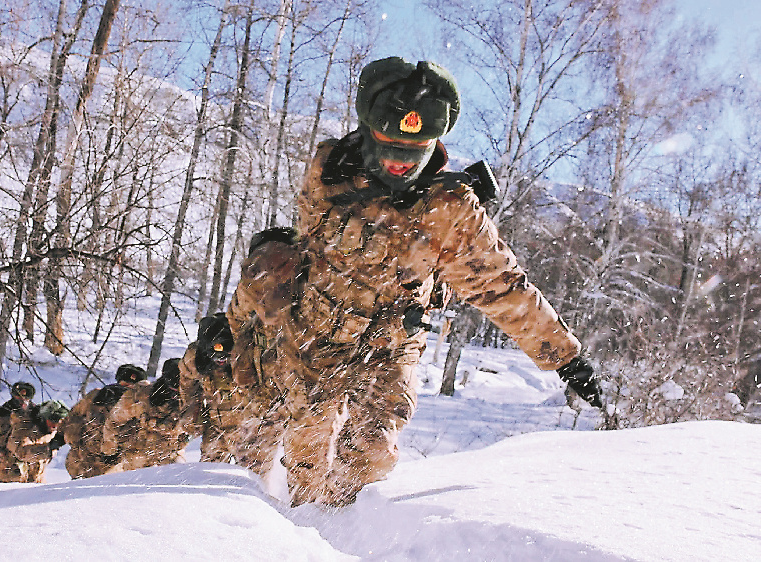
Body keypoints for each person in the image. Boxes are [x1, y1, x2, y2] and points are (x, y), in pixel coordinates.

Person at [227, 56, 603, 507]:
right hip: (316, 339)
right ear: (369, 129)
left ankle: (343, 532)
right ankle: (293, 528)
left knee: (368, 459)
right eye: (389, 143)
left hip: (388, 349)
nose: (399, 161)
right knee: (307, 461)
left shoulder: (450, 207)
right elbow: (309, 236)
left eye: (416, 146)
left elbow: (502, 286)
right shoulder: (329, 169)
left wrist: (565, 357)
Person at [179, 313, 283, 470]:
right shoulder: (194, 358)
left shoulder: (253, 353)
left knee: (254, 477)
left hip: (255, 428)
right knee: (208, 473)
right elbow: (187, 384)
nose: (221, 359)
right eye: (216, 352)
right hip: (217, 425)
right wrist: (192, 414)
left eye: (226, 353)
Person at [61, 364, 147, 479]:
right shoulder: (139, 404)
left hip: (83, 463)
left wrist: (76, 444)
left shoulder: (96, 395)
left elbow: (71, 422)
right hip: (111, 468)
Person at [100, 363, 189, 472]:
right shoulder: (139, 396)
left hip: (171, 455)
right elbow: (114, 421)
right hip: (138, 456)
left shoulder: (192, 398)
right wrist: (109, 451)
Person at [0, 400, 70, 483]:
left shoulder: (53, 430)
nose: (55, 425)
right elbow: (21, 452)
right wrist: (50, 447)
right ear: (43, 418)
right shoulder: (24, 427)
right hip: (7, 479)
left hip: (34, 478)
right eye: (52, 420)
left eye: (59, 421)